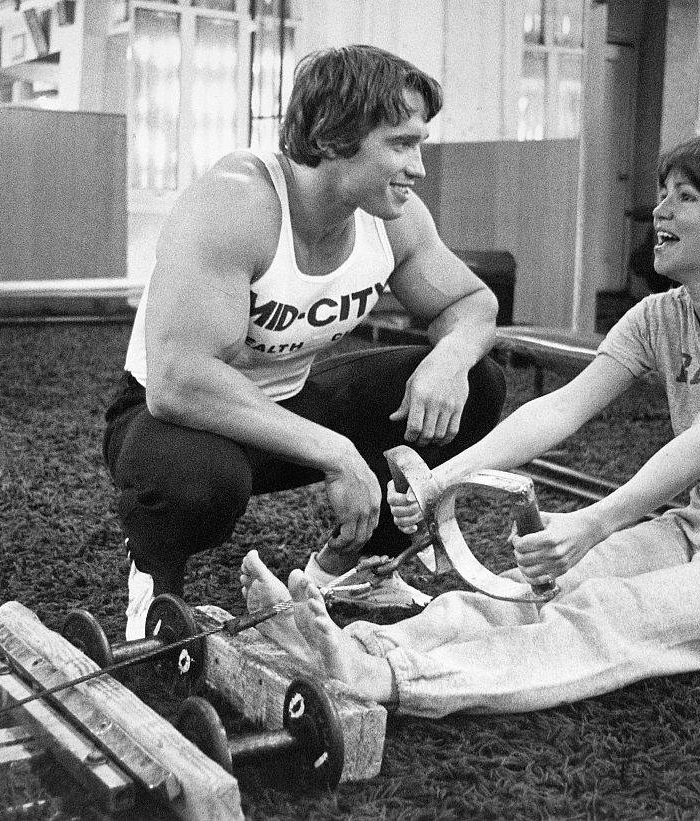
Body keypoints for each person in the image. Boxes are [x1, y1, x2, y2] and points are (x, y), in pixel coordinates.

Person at [239, 133, 700, 717]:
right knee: (526, 590)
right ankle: (361, 647)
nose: (659, 212)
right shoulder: (660, 315)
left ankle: (396, 679)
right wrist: (440, 481)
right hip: (697, 528)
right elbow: (559, 409)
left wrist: (594, 521)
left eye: (684, 198)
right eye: (662, 193)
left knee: (613, 610)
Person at [103, 45, 506, 639]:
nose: (418, 166)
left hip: (291, 403)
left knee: (477, 383)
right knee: (204, 481)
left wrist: (448, 360)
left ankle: (355, 568)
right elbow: (178, 382)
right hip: (172, 422)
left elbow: (472, 305)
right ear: (334, 135)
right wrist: (337, 452)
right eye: (399, 143)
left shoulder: (395, 216)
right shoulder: (238, 202)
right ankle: (153, 580)